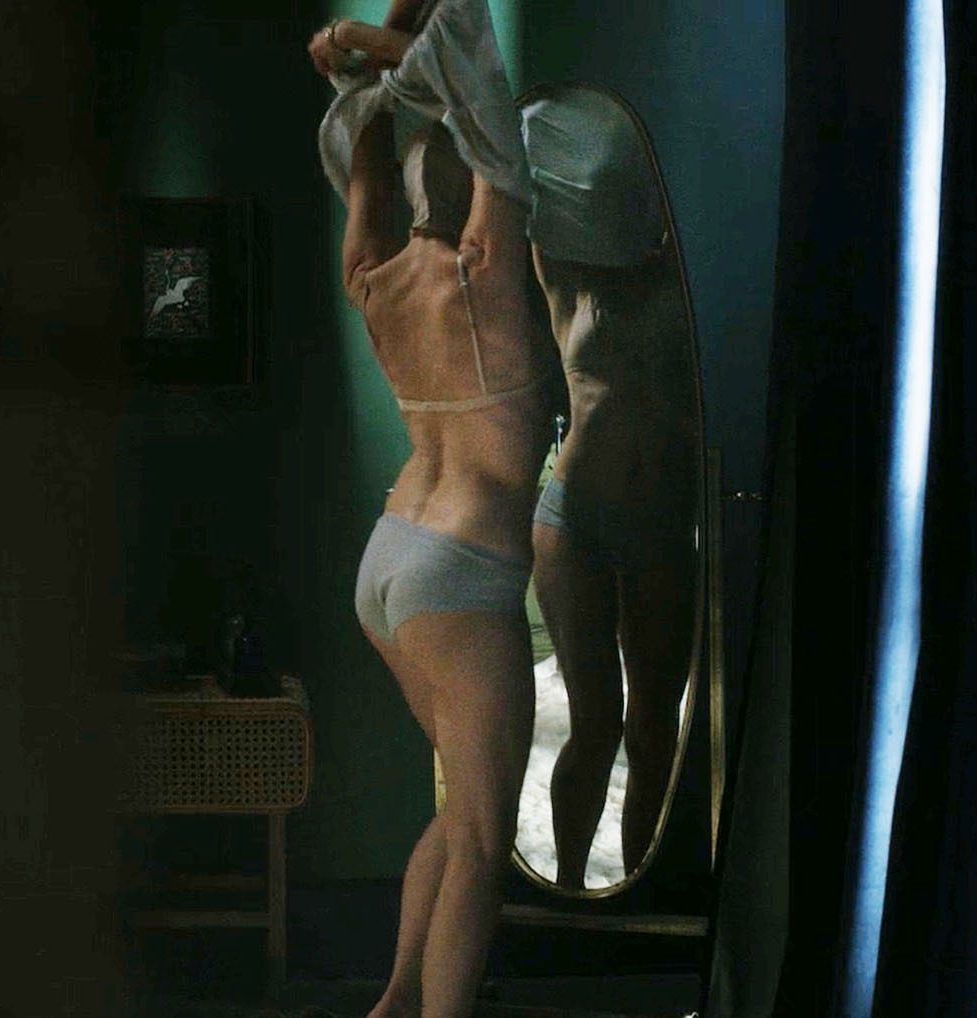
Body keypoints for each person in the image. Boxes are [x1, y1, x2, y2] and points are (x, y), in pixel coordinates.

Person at [308, 2, 555, 1016]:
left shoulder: (373, 274)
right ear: (480, 182)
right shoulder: (485, 267)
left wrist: (372, 44)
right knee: (486, 841)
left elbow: (367, 128)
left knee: (456, 815)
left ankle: (393, 1003)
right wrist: (390, 51)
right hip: (461, 567)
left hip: (393, 558)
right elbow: (484, 113)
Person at [522, 88, 701, 890]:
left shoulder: (687, 268)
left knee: (654, 724)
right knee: (593, 724)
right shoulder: (566, 273)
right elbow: (520, 181)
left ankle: (636, 885)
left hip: (664, 516)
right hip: (575, 515)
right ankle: (565, 889)